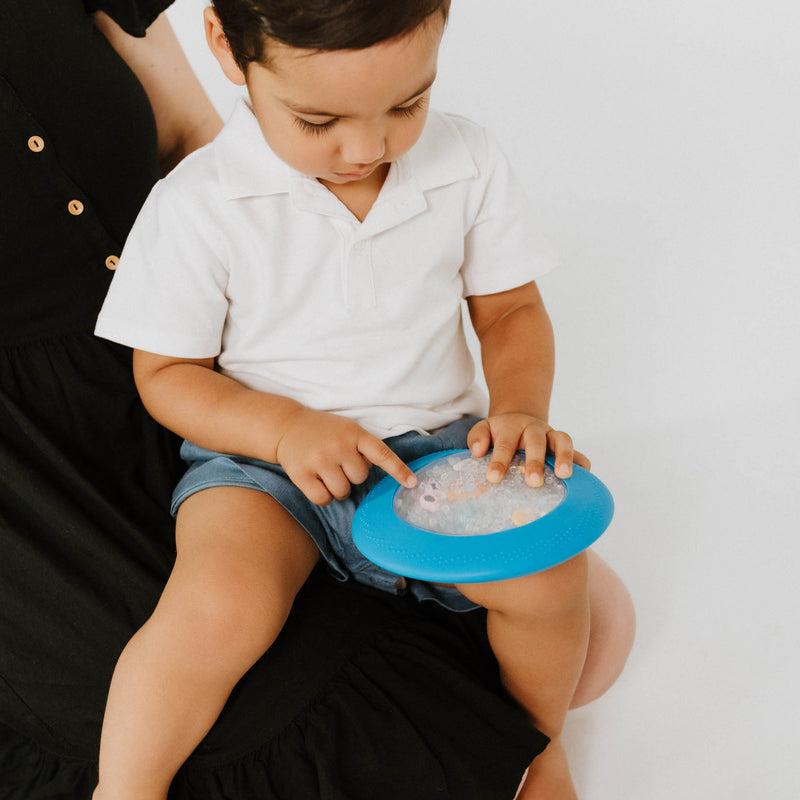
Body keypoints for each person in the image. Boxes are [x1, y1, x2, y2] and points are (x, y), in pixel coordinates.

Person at [2, 2, 634, 799]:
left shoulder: (465, 160)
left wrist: (518, 410)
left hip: (437, 446)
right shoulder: (199, 202)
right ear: (230, 53)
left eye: (407, 104)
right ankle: (127, 786)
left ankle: (536, 749)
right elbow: (166, 374)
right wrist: (283, 430)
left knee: (551, 583)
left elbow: (509, 313)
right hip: (264, 469)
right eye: (319, 119)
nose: (368, 149)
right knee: (218, 604)